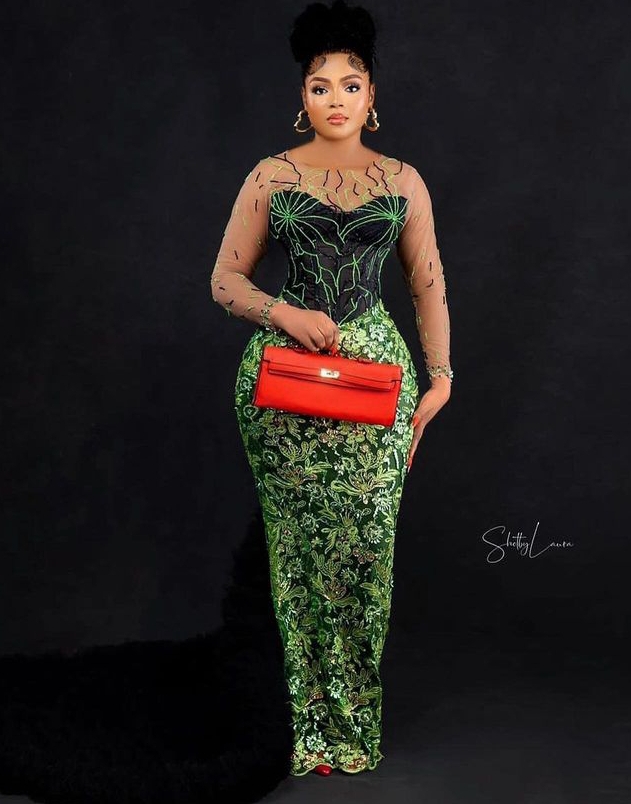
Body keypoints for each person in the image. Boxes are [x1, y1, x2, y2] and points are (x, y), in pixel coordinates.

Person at [210, 0, 453, 777]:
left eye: (351, 85)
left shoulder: (402, 181)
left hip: (377, 384)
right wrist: (285, 312)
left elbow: (426, 284)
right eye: (321, 86)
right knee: (295, 555)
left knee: (364, 555)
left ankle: (352, 725)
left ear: (372, 94)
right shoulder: (271, 175)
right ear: (302, 96)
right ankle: (306, 729)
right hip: (284, 388)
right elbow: (224, 281)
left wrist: (440, 379)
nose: (336, 99)